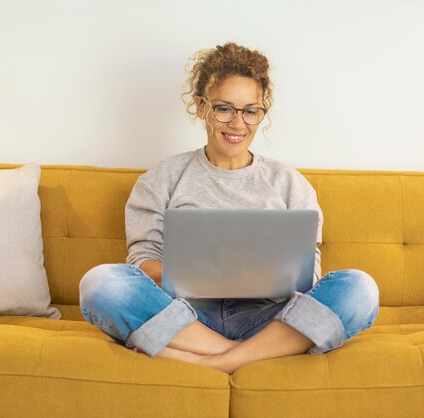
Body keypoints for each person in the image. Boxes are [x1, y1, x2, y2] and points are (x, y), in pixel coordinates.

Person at [79, 42, 379, 374]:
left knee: (360, 288)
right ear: (200, 106)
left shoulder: (289, 183)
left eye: (251, 111)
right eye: (224, 108)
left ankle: (211, 360)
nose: (238, 123)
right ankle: (248, 355)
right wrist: (204, 274)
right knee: (100, 283)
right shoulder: (162, 178)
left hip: (270, 319)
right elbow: (141, 264)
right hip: (186, 317)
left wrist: (264, 276)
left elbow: (310, 279)